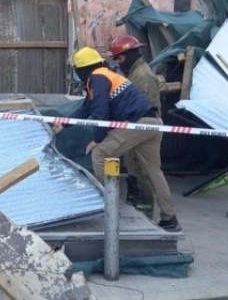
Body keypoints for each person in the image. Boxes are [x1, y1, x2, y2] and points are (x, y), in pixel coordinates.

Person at [55, 46, 181, 232]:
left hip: (136, 124)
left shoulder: (97, 78)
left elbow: (101, 113)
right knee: (154, 171)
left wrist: (98, 139)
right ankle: (170, 219)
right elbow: (86, 109)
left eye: (76, 70)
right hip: (153, 122)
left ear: (82, 68)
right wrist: (63, 124)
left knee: (99, 154)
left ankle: (108, 208)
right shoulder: (105, 75)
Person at [107, 35, 160, 216]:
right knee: (134, 168)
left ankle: (146, 213)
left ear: (129, 54)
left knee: (144, 171)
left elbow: (146, 108)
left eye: (120, 58)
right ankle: (138, 206)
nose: (119, 63)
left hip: (142, 129)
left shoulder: (143, 76)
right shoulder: (133, 73)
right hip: (133, 128)